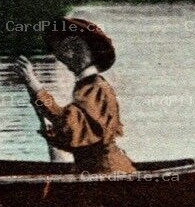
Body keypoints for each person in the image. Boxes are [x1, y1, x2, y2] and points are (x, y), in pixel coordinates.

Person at [9, 18, 136, 175]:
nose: (59, 57)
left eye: (62, 50)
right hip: (94, 171)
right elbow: (74, 131)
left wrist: (33, 83)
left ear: (78, 50)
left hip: (108, 172)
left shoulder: (95, 89)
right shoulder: (88, 86)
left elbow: (66, 121)